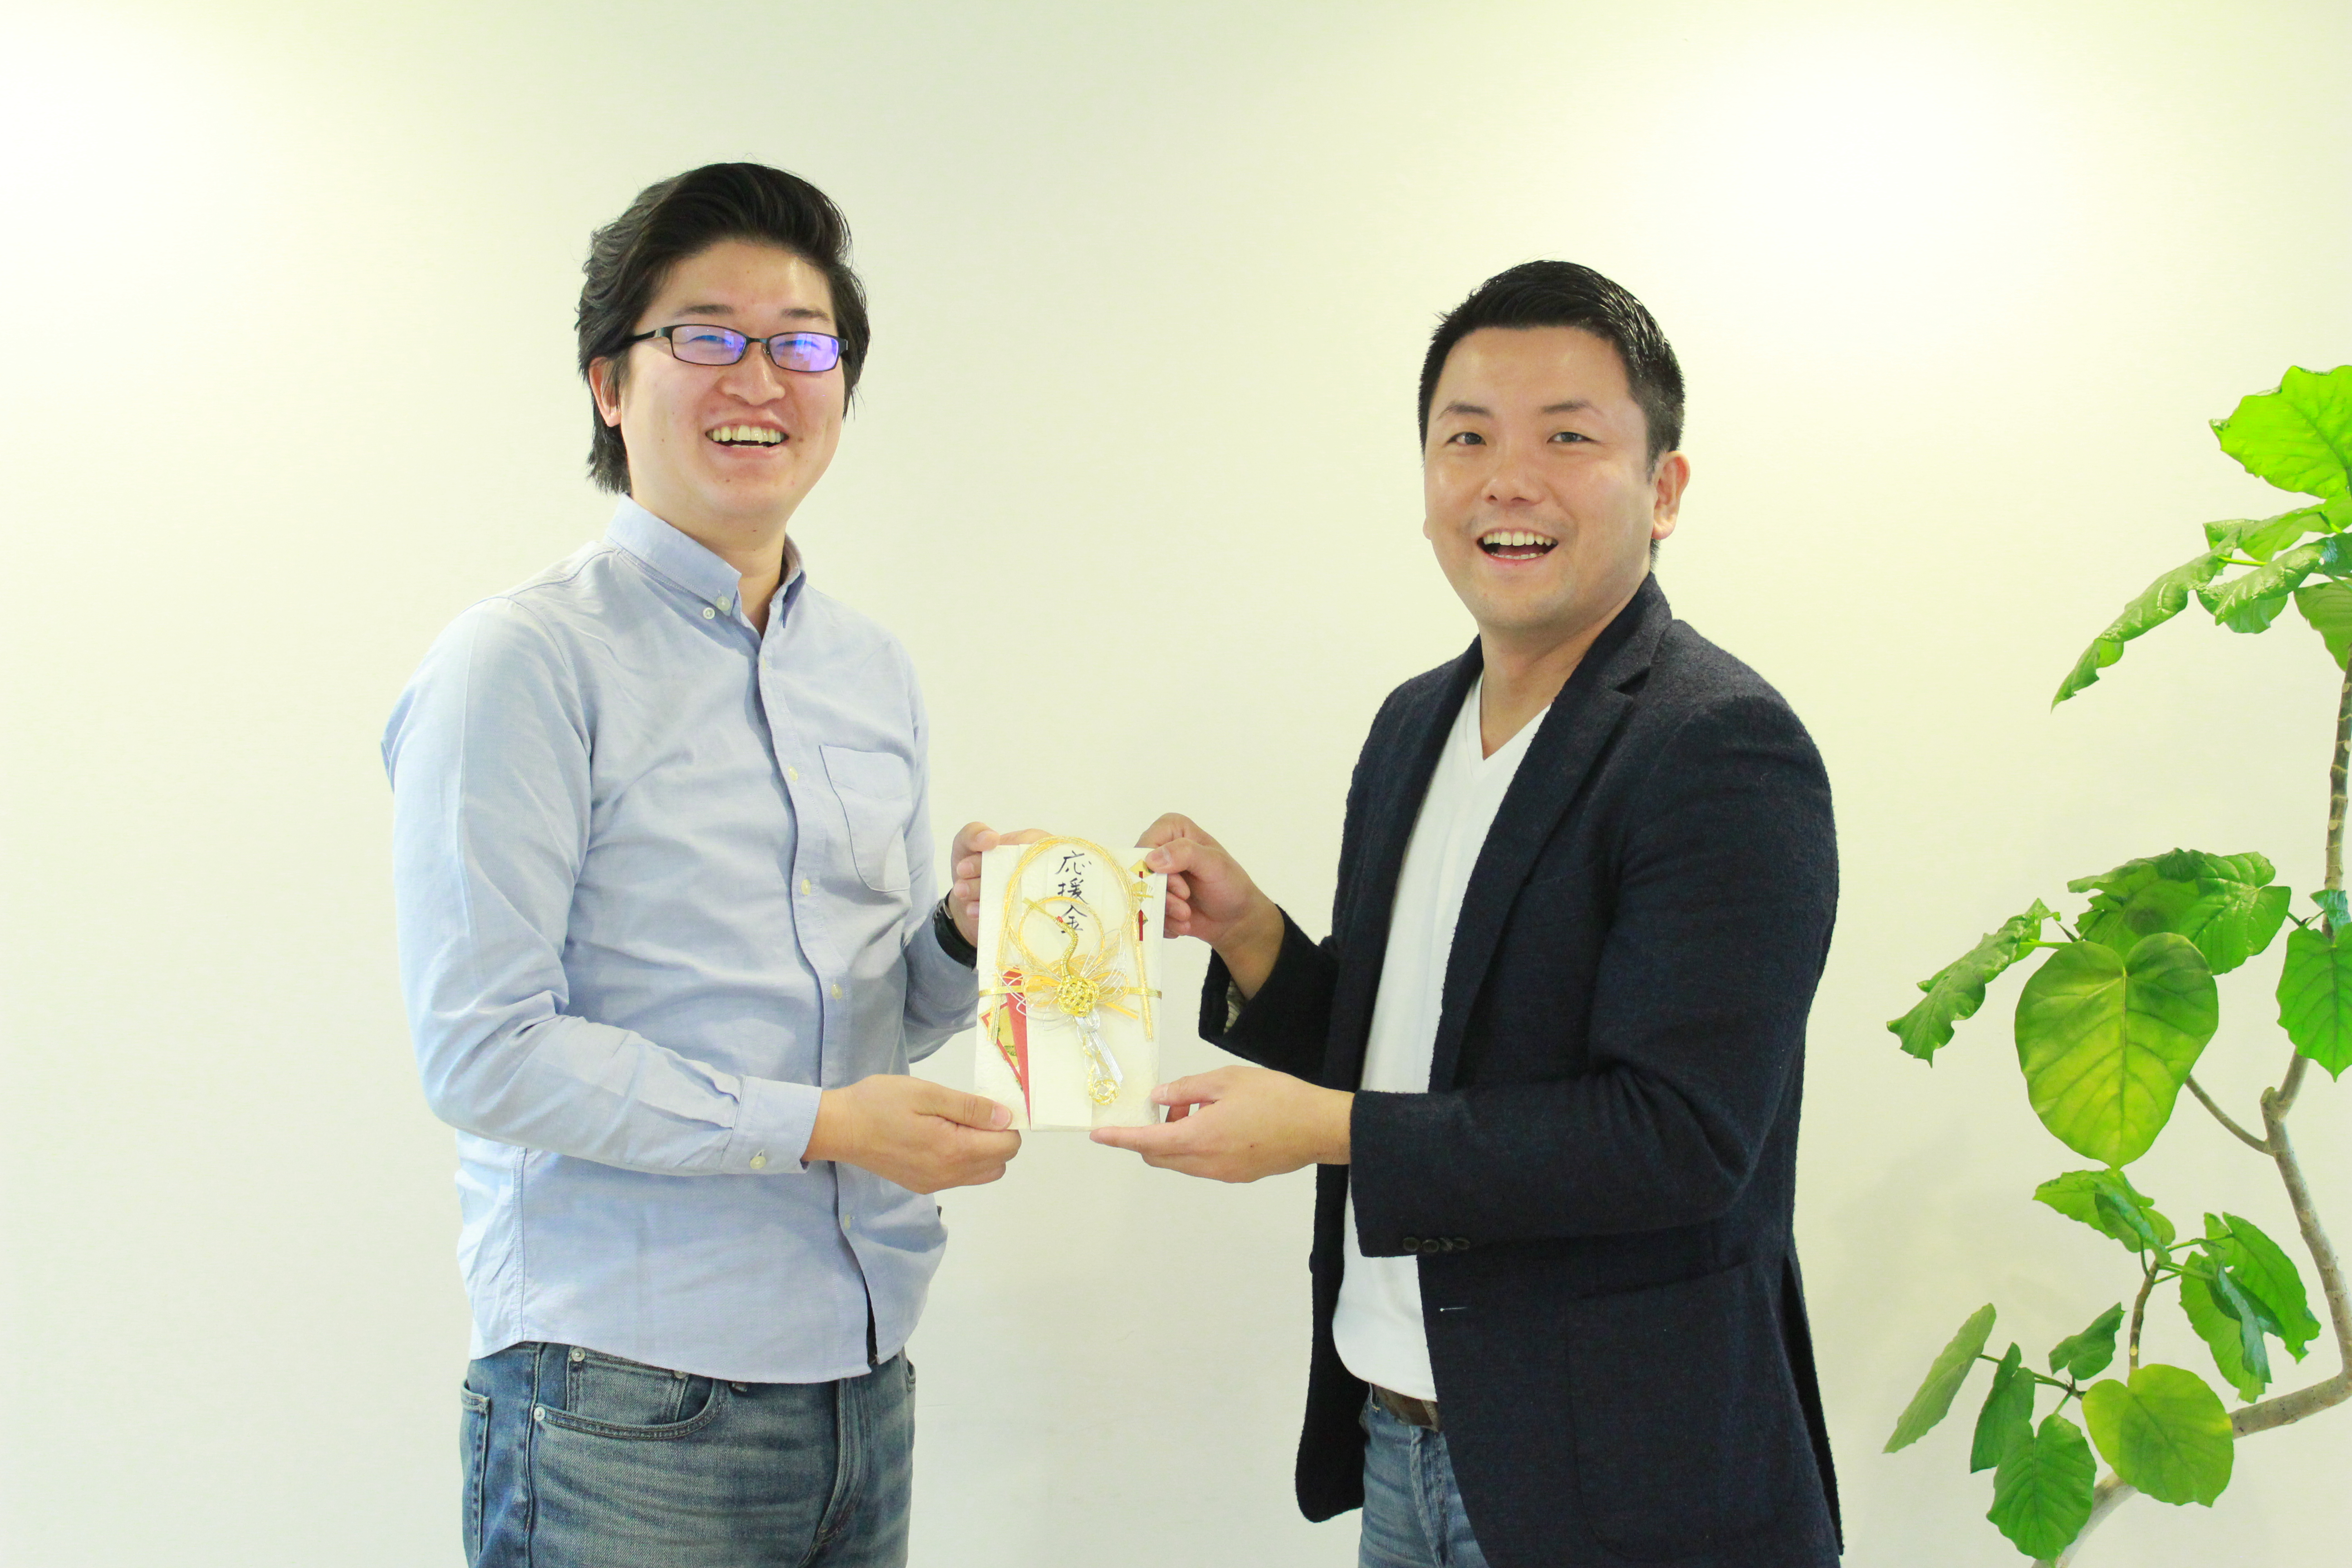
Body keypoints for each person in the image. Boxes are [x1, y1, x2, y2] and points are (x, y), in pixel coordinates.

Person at [1095, 262, 1842, 1568]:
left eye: (1569, 438)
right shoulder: (1413, 725)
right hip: (1401, 1440)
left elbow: (1677, 1139)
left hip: (1628, 1483)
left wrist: (1326, 1133)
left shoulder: (1720, 746)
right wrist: (1251, 934)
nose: (1509, 481)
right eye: (1469, 439)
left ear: (1665, 490)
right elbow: (1415, 1057)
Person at [383, 162, 1024, 1568]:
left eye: (803, 343)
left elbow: (872, 1017)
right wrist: (826, 1125)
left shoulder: (869, 669)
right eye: (707, 335)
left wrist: (964, 939)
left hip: (865, 1377)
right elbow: (485, 1053)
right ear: (609, 384)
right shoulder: (522, 663)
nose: (761, 378)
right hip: (623, 1399)